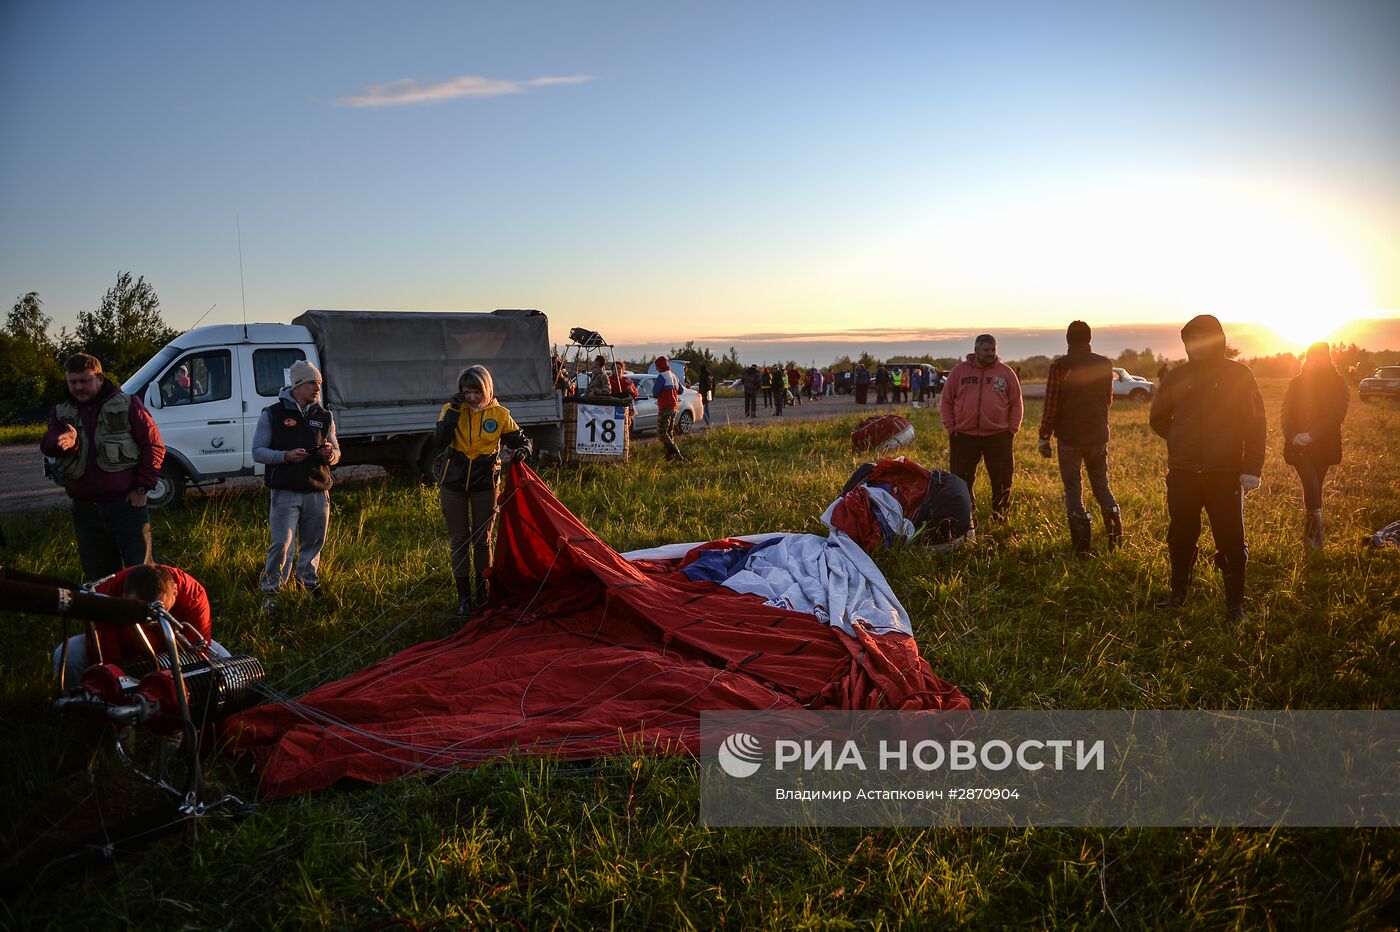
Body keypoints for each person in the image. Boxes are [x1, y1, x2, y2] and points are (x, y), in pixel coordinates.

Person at [1149, 314, 1265, 622]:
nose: (1196, 346)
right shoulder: (1176, 377)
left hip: (1225, 472)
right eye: (1190, 341)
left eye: (1202, 340)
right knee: (1181, 534)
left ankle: (1235, 606)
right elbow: (1158, 418)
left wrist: (1252, 467)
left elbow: (1256, 424)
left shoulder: (1240, 375)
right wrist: (1180, 438)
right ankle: (1178, 595)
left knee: (1230, 538)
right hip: (1183, 472)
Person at [41, 353, 165, 580]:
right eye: (73, 382)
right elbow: (48, 444)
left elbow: (154, 446)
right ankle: (109, 616)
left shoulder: (128, 404)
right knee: (99, 579)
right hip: (86, 511)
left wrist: (141, 489)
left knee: (144, 575)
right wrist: (62, 443)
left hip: (128, 507)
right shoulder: (60, 412)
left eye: (84, 380)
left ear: (99, 378)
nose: (78, 387)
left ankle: (147, 616)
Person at [435, 365, 532, 615]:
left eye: (476, 393)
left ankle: (483, 591)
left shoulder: (499, 414)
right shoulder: (451, 410)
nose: (471, 398)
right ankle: (463, 597)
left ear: (486, 390)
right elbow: (439, 441)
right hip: (453, 485)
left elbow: (521, 440)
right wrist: (454, 413)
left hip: (485, 485)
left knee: (482, 540)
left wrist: (523, 451)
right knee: (459, 540)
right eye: (466, 392)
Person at [252, 359, 340, 611]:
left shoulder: (324, 416)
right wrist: (284, 456)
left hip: (317, 490)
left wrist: (329, 455)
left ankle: (308, 584)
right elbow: (258, 451)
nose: (317, 389)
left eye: (319, 384)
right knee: (282, 543)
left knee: (314, 542)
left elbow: (337, 451)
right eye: (313, 383)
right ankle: (272, 592)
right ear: (298, 384)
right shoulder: (273, 414)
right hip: (285, 490)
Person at [52, 563, 227, 684]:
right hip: (127, 653)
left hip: (175, 650)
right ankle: (91, 711)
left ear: (175, 591)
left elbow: (196, 653)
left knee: (229, 667)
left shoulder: (192, 594)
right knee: (68, 654)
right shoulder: (104, 597)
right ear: (123, 597)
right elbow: (108, 658)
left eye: (160, 612)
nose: (151, 623)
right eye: (145, 616)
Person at [1038, 321, 1122, 555]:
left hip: (1070, 439)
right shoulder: (1105, 364)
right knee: (1102, 487)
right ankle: (1115, 540)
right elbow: (1108, 400)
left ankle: (1081, 547)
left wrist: (1044, 436)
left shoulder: (1060, 366)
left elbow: (1051, 405)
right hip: (1097, 435)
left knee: (1073, 490)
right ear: (1089, 339)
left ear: (1067, 339)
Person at [940, 334, 1024, 522]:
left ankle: (1000, 517)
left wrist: (1012, 429)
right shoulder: (959, 372)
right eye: (986, 350)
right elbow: (946, 400)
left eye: (993, 350)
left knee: (1002, 479)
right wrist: (951, 427)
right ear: (976, 350)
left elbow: (1016, 402)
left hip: (998, 436)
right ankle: (966, 516)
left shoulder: (1005, 372)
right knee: (961, 479)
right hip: (963, 436)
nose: (990, 354)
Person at [1281, 342, 1350, 550]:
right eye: (1311, 356)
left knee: (1316, 487)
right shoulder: (1297, 382)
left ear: (1327, 358)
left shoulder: (1338, 383)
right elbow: (1285, 412)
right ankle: (1313, 541)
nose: (1314, 360)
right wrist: (1293, 436)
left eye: (1319, 356)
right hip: (1298, 445)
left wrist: (1312, 435)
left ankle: (1313, 538)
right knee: (1310, 484)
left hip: (1324, 444)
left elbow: (1337, 415)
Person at [652, 356, 684, 461]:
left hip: (665, 406)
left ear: (660, 366)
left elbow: (655, 392)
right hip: (674, 406)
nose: (656, 369)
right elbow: (680, 391)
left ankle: (676, 450)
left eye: (657, 367)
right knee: (669, 432)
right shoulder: (674, 376)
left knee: (661, 433)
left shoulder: (662, 376)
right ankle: (669, 457)